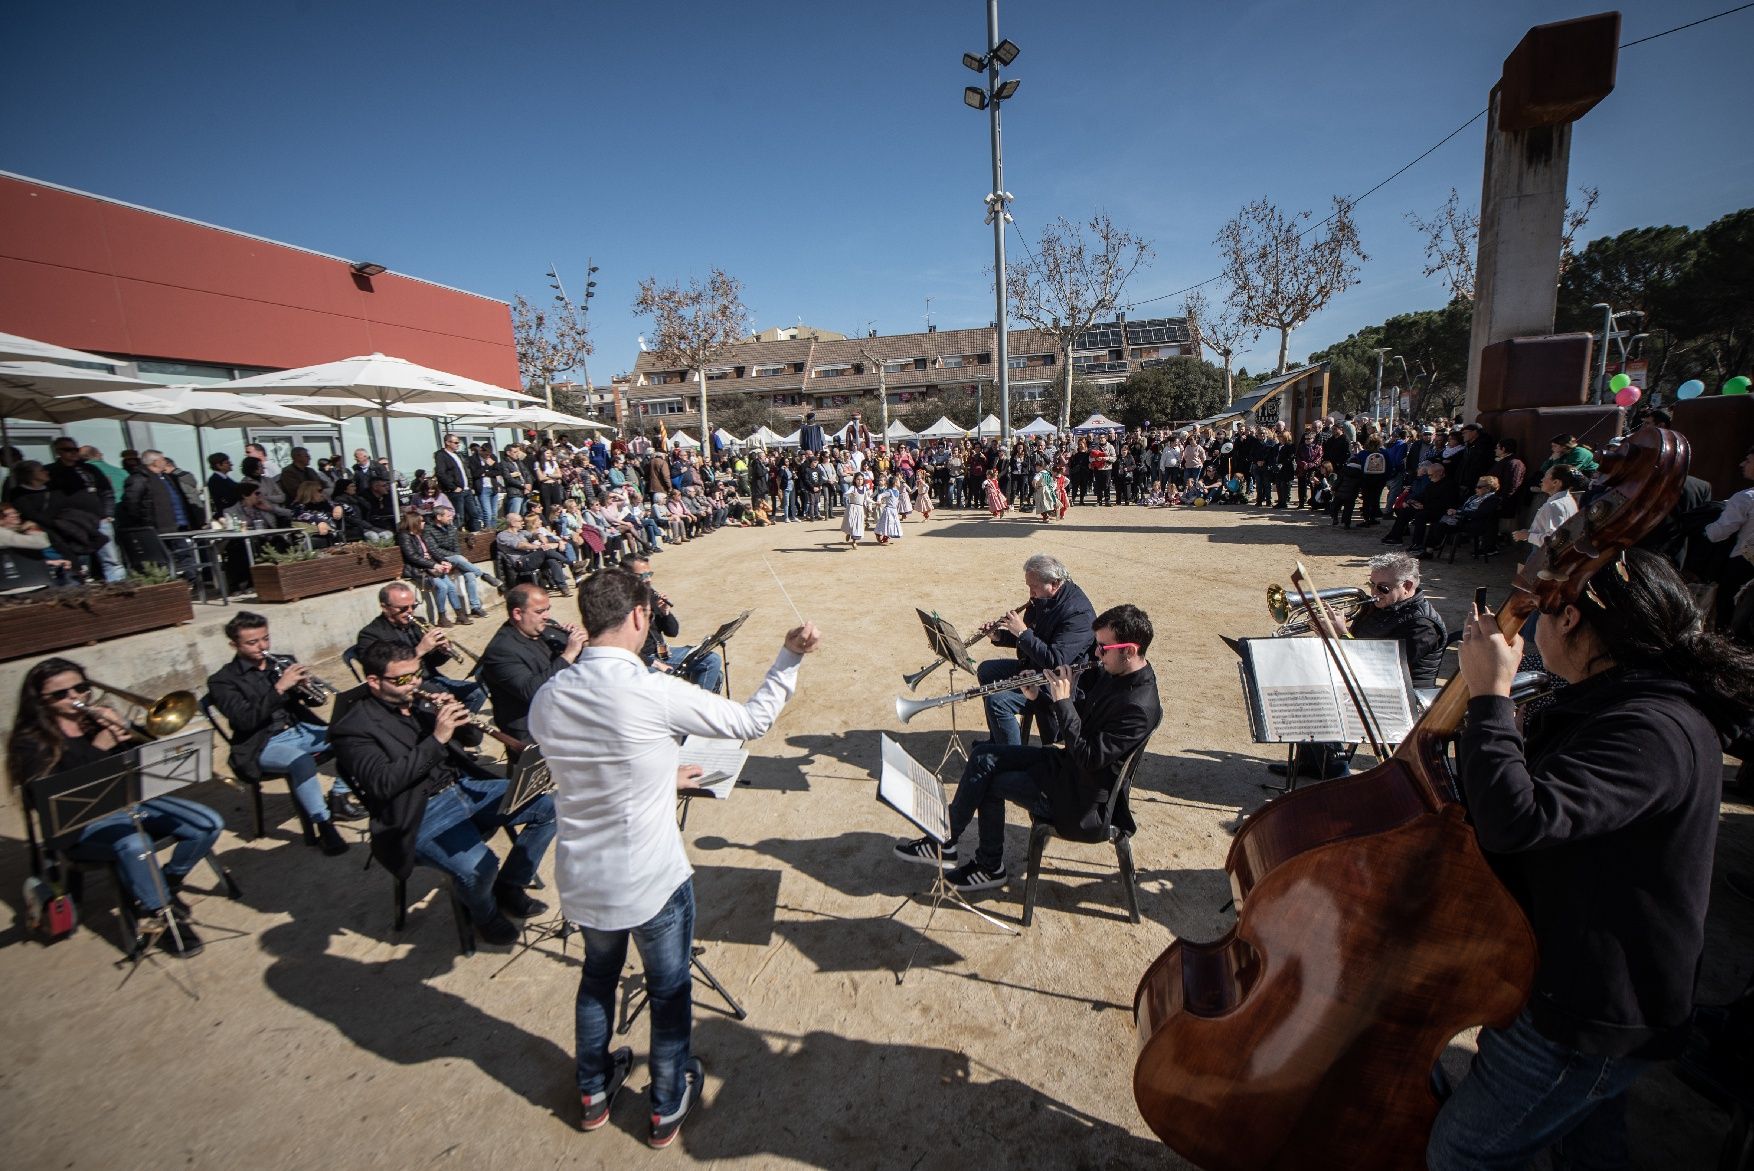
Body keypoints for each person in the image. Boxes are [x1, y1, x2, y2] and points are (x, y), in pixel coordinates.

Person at [1428, 549, 1753, 1169]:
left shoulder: (1653, 727)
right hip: (1570, 973)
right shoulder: (1623, 699)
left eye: (1538, 617)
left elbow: (1518, 822)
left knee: (1463, 1151)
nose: (1529, 631)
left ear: (1571, 620)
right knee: (1588, 1145)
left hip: (1588, 1005)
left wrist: (1490, 699)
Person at [528, 567, 820, 1144]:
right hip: (650, 877)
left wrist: (661, 776)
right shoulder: (651, 690)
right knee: (668, 990)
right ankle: (664, 1103)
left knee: (596, 979)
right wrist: (789, 654)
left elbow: (590, 768)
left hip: (584, 877)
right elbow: (751, 721)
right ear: (639, 616)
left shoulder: (548, 694)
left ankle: (592, 1090)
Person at [895, 604, 1161, 893]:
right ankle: (945, 842)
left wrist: (1063, 701)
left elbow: (1088, 757)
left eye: (1103, 648)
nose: (1096, 653)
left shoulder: (1138, 706)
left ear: (1130, 651)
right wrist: (1040, 697)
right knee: (983, 756)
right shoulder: (1117, 672)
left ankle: (988, 866)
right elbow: (1084, 715)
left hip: (1081, 800)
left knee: (989, 782)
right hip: (1064, 769)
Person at [330, 640, 556, 947]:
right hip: (418, 811)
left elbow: (472, 737)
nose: (414, 683)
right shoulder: (354, 729)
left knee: (550, 808)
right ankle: (486, 915)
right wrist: (437, 737)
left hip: (463, 786)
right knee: (481, 866)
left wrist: (460, 718)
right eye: (402, 679)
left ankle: (509, 885)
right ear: (373, 681)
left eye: (417, 674)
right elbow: (384, 783)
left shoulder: (420, 701)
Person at [6, 657, 225, 958]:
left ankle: (168, 882)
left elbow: (144, 760)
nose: (75, 698)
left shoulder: (95, 720)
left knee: (207, 823)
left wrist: (126, 728)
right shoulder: (30, 742)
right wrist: (98, 747)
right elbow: (49, 795)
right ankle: (163, 917)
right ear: (40, 701)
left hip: (128, 804)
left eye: (81, 688)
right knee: (137, 844)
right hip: (79, 824)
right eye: (61, 694)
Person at [1268, 552, 1448, 781]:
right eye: (1371, 584)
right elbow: (1359, 643)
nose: (1373, 593)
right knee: (1301, 684)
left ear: (1408, 586)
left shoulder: (1422, 625)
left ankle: (1335, 771)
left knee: (1316, 698)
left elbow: (1382, 667)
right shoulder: (1381, 606)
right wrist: (1331, 632)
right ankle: (1313, 763)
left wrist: (1340, 634)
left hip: (1399, 697)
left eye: (1382, 588)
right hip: (1366, 681)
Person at [206, 611, 361, 855]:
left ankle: (339, 797)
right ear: (233, 645)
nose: (262, 646)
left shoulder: (282, 661)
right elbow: (245, 720)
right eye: (252, 642)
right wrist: (279, 688)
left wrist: (305, 688)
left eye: (265, 639)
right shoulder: (223, 681)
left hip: (300, 729)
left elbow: (316, 703)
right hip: (262, 742)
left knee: (355, 735)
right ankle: (324, 824)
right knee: (301, 763)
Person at [978, 553, 1097, 747]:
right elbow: (1033, 640)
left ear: (1054, 583)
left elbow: (1055, 659)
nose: (1031, 594)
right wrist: (1000, 636)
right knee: (986, 670)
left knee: (997, 701)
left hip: (1059, 684)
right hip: (1036, 668)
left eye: (1034, 587)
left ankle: (1012, 759)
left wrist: (1023, 633)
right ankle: (998, 741)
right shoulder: (1042, 600)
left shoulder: (1078, 614)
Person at [477, 584, 588, 742]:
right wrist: (568, 653)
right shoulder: (500, 651)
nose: (546, 616)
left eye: (547, 609)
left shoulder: (547, 628)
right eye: (539, 611)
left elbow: (577, 666)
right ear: (517, 613)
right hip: (532, 725)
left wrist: (580, 645)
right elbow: (532, 691)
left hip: (560, 709)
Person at [356, 581, 486, 710]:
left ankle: (458, 729)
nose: (410, 612)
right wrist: (419, 650)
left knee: (478, 692)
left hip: (430, 679)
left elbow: (434, 663)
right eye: (403, 608)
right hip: (403, 686)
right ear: (385, 607)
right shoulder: (370, 635)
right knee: (448, 706)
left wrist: (441, 650)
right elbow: (378, 670)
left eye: (413, 606)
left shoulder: (418, 623)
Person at [624, 554, 723, 692]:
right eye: (642, 576)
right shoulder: (621, 604)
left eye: (649, 573)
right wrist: (655, 663)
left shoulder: (650, 594)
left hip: (663, 653)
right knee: (711, 662)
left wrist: (665, 612)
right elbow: (624, 649)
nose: (648, 579)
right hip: (645, 659)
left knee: (713, 667)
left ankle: (696, 705)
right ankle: (698, 707)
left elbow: (673, 632)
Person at [117, 448, 205, 579]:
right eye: (162, 459)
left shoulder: (167, 478)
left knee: (185, 555)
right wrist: (143, 523)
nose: (165, 461)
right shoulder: (139, 478)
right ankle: (169, 584)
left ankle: (192, 581)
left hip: (176, 525)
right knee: (162, 560)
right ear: (155, 462)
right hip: (156, 527)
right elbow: (131, 502)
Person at [397, 510, 469, 626]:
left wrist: (443, 561)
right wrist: (434, 565)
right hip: (419, 569)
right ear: (413, 522)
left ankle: (460, 614)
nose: (423, 523)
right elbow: (412, 556)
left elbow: (432, 551)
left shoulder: (420, 534)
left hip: (431, 567)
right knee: (443, 587)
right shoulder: (405, 536)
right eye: (421, 521)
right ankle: (442, 617)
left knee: (450, 586)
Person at [426, 505, 495, 619]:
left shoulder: (450, 528)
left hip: (453, 560)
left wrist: (457, 559)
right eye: (448, 516)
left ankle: (475, 607)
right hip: (439, 561)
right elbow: (434, 550)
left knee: (470, 575)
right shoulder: (428, 530)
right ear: (438, 517)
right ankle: (483, 575)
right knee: (458, 558)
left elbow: (456, 546)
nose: (451, 518)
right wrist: (454, 558)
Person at [495, 511, 571, 595]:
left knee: (551, 560)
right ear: (512, 523)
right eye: (520, 521)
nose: (523, 522)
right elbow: (520, 545)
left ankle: (563, 587)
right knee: (544, 551)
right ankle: (571, 564)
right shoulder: (503, 535)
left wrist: (539, 535)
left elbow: (533, 534)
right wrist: (539, 547)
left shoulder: (522, 532)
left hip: (532, 559)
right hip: (521, 562)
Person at [1513, 464, 1582, 549]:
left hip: (1544, 552)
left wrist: (1528, 536)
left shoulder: (1554, 505)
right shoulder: (1569, 500)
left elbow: (1554, 539)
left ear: (1555, 482)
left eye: (1545, 476)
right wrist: (1529, 533)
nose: (1541, 480)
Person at [433, 433, 482, 531]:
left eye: (458, 442)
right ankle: (454, 537)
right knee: (459, 517)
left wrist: (469, 485)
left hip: (466, 489)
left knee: (474, 514)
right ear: (447, 442)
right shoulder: (441, 455)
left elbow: (464, 471)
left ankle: (475, 534)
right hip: (456, 491)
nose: (457, 444)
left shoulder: (458, 455)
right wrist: (453, 487)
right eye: (455, 442)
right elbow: (440, 473)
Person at [874, 475, 903, 545]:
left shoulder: (897, 491)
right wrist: (878, 500)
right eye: (899, 481)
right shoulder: (889, 491)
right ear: (895, 482)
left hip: (894, 511)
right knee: (886, 524)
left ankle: (885, 537)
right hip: (888, 511)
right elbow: (880, 495)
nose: (900, 483)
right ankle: (880, 535)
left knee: (891, 525)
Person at [842, 474, 868, 547]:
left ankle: (854, 541)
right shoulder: (852, 487)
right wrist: (850, 494)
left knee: (857, 525)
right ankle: (849, 533)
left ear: (863, 480)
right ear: (855, 480)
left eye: (861, 479)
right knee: (851, 523)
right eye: (858, 479)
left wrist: (875, 502)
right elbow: (845, 494)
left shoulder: (865, 488)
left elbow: (866, 498)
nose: (859, 481)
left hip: (860, 509)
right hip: (852, 508)